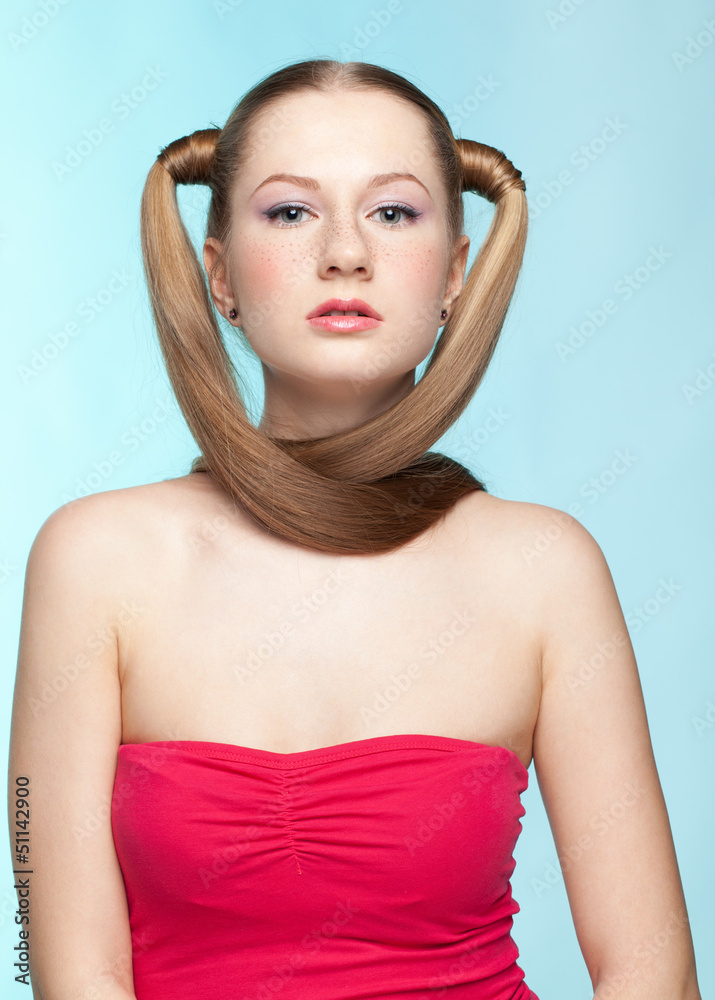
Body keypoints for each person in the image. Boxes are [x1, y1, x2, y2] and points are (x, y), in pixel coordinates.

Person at [8, 58, 701, 1000]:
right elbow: (65, 970)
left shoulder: (543, 569)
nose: (345, 254)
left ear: (455, 271)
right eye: (290, 212)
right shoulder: (94, 560)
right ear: (218, 275)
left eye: (394, 212)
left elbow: (649, 973)